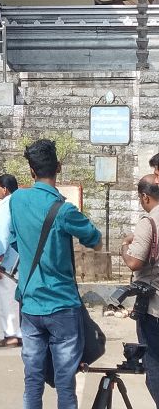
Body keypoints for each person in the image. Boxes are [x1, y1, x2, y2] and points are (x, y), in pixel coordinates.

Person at [10, 138, 102, 409]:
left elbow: (13, 240)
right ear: (58, 167)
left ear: (31, 171)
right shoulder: (64, 210)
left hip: (30, 303)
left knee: (33, 379)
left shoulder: (16, 200)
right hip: (62, 305)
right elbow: (94, 239)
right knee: (65, 382)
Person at [120, 174, 159, 408]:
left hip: (154, 309)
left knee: (154, 366)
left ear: (145, 197)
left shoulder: (149, 221)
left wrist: (124, 247)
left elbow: (135, 262)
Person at [0, 174, 22, 348]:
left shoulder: (5, 207)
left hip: (8, 262)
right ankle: (18, 333)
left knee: (5, 298)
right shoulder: (19, 204)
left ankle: (10, 334)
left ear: (4, 189)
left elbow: (3, 236)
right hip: (20, 260)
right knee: (16, 299)